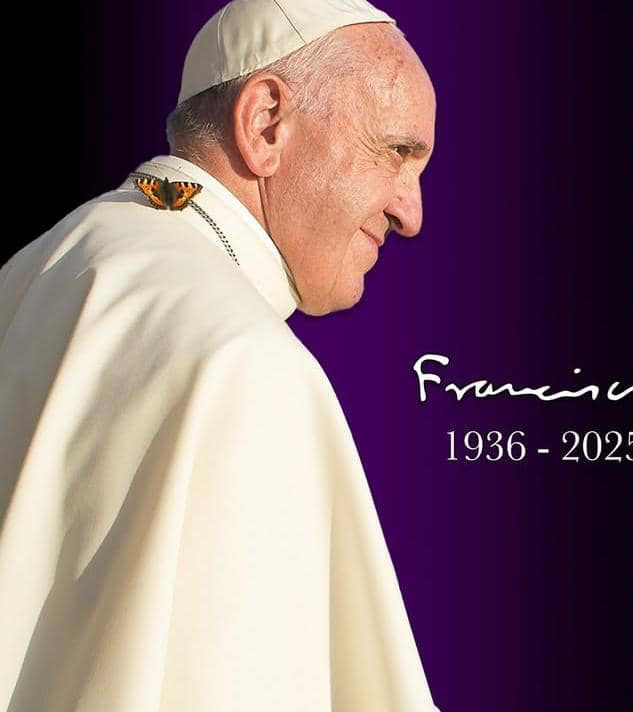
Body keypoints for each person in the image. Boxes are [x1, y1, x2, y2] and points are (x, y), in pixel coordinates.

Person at [0, 1, 438, 710]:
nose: (410, 214)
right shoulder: (247, 363)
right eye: (396, 151)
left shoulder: (37, 269)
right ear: (266, 124)